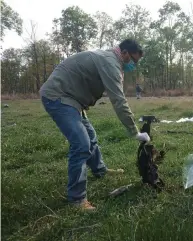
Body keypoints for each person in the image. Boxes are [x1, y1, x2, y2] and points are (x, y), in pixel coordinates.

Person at [39, 39, 150, 210]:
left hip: (73, 101)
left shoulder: (110, 59)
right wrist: (134, 131)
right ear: (125, 52)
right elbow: (118, 100)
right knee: (81, 144)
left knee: (91, 136)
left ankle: (100, 170)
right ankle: (77, 200)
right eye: (133, 60)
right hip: (58, 96)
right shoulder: (110, 63)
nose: (133, 65)